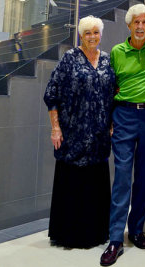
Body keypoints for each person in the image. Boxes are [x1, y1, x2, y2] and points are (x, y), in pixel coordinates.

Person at [100, 4, 145, 266]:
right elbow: (111, 86)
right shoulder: (117, 51)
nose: (140, 27)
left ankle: (136, 229)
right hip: (124, 117)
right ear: (128, 25)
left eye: (144, 23)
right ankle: (115, 238)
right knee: (123, 178)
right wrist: (110, 119)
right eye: (136, 22)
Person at [43, 16, 116, 249]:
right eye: (87, 33)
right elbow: (52, 93)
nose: (92, 37)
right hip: (72, 134)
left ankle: (96, 233)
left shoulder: (107, 60)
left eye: (96, 32)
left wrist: (112, 123)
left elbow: (115, 93)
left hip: (99, 136)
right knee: (72, 185)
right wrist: (55, 128)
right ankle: (69, 235)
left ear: (100, 34)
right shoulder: (70, 58)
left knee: (95, 186)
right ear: (80, 36)